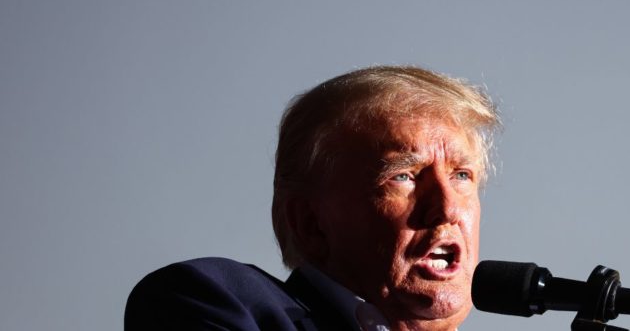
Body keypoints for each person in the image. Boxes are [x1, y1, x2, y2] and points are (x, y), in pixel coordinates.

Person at [125, 65, 501, 331]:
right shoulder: (209, 300)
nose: (448, 208)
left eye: (461, 176)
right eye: (403, 176)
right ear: (310, 224)